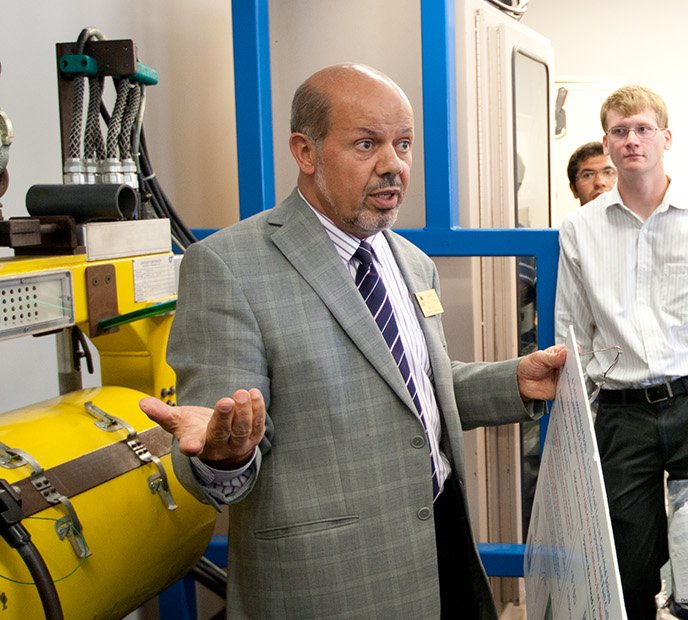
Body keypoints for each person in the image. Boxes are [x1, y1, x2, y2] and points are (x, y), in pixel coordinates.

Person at [137, 64, 565, 619]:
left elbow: (411, 392)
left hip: (442, 543)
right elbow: (223, 431)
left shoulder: (411, 261)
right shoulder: (227, 266)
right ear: (306, 152)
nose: (393, 165)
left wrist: (515, 382)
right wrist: (225, 456)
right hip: (330, 582)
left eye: (403, 144)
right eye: (367, 144)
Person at [554, 84, 688, 619]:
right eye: (619, 131)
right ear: (606, 143)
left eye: (643, 129)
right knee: (629, 566)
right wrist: (578, 428)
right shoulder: (579, 230)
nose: (631, 141)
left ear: (666, 137)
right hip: (622, 415)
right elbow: (571, 335)